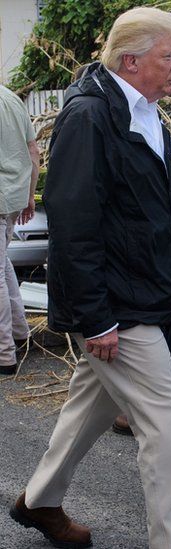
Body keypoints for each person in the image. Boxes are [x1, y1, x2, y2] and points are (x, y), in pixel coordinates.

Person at [8, 7, 171, 548]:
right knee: (165, 418)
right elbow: (74, 223)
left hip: (136, 295)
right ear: (131, 59)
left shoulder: (142, 112)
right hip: (115, 304)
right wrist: (96, 318)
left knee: (91, 404)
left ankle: (39, 502)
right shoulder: (90, 116)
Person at [0, 84, 38, 375]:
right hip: (13, 195)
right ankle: (19, 332)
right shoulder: (10, 97)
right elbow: (32, 150)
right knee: (3, 265)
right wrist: (29, 194)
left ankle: (4, 354)